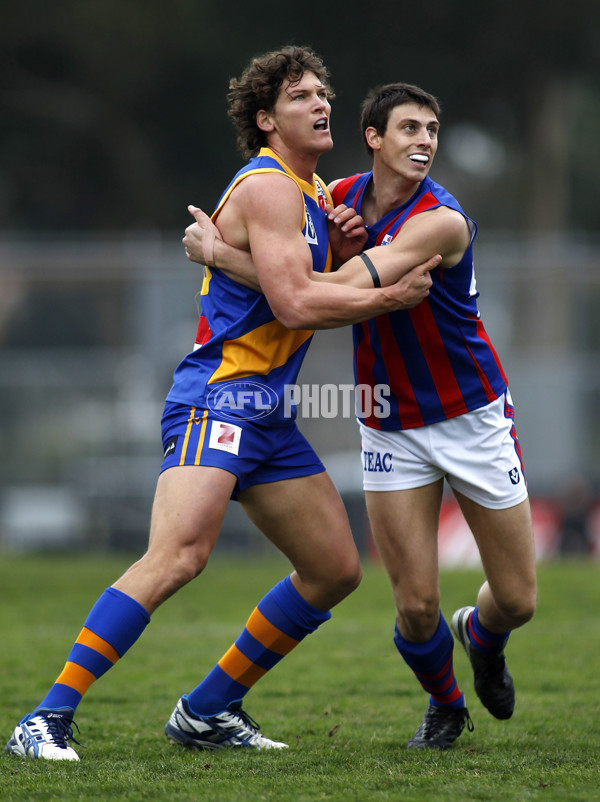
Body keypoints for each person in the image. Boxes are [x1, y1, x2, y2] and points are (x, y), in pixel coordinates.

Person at [5, 49, 438, 762]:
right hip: (219, 398)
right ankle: (45, 717)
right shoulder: (270, 188)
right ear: (267, 120)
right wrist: (384, 298)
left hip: (266, 411)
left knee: (334, 568)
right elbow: (296, 304)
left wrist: (317, 250)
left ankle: (207, 711)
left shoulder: (315, 193)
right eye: (301, 96)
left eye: (324, 93)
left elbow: (284, 284)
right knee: (177, 556)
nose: (322, 103)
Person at [184, 82, 538, 751]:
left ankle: (482, 638)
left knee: (518, 598)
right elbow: (298, 275)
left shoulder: (442, 221)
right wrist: (297, 248)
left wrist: (223, 257)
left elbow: (333, 289)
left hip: (471, 414)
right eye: (409, 128)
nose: (425, 141)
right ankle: (446, 706)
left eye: (432, 130)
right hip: (386, 418)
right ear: (373, 138)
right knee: (413, 604)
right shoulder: (331, 198)